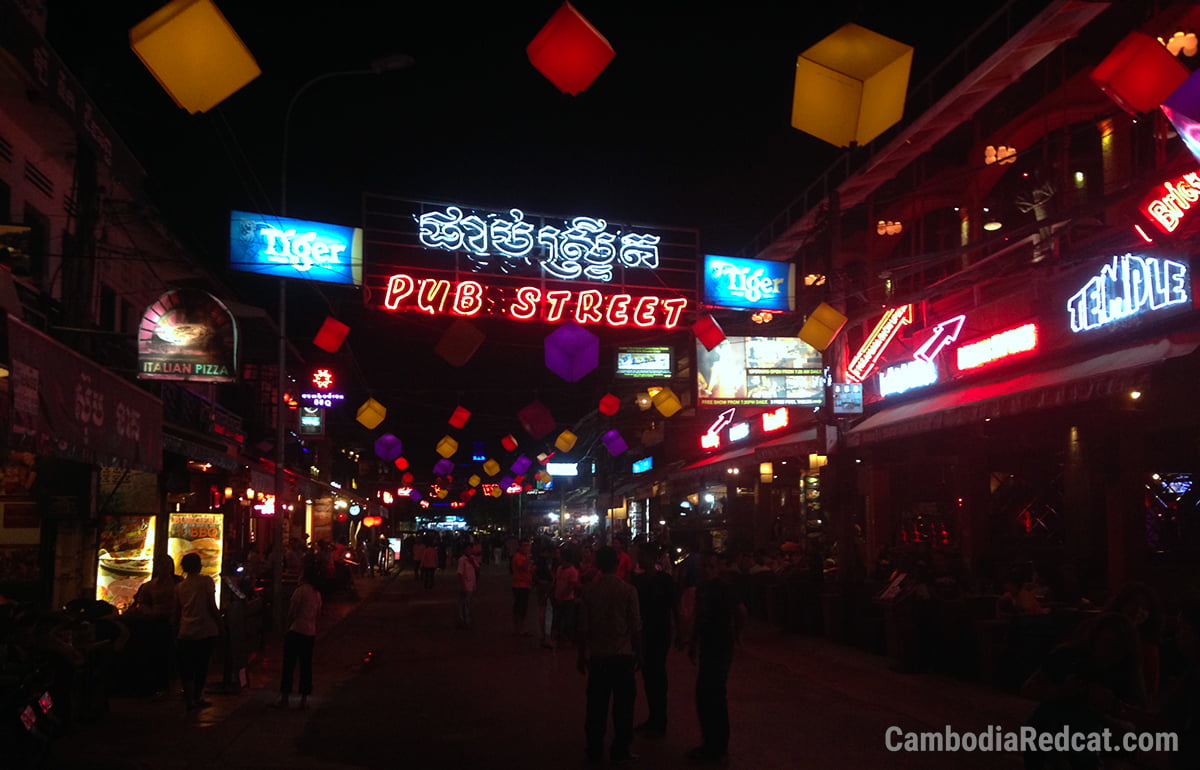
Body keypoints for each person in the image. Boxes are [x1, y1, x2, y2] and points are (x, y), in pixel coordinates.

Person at [1020, 612, 1146, 769]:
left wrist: (1111, 707)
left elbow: (1139, 720)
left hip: (1100, 730)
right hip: (1052, 725)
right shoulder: (1068, 655)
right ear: (1095, 638)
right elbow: (1028, 689)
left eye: (1117, 649)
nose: (1109, 653)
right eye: (1106, 644)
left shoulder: (1126, 671)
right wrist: (1063, 690)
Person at [577, 546, 642, 764]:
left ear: (597, 564)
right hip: (622, 656)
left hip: (599, 656)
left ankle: (594, 750)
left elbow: (584, 628)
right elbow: (635, 627)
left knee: (596, 707)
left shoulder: (589, 591)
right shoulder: (628, 590)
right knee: (623, 708)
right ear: (616, 564)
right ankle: (620, 750)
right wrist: (638, 654)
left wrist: (580, 655)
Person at [688, 551, 746, 763]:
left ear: (718, 567)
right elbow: (699, 616)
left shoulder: (724, 588)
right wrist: (693, 641)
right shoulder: (703, 589)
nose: (707, 570)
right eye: (704, 566)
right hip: (708, 645)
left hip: (721, 646)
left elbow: (741, 611)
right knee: (706, 695)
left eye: (711, 566)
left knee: (713, 696)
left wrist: (738, 634)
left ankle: (717, 746)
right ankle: (711, 743)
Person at [633, 543, 676, 738]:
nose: (639, 559)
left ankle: (658, 718)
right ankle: (657, 716)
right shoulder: (641, 581)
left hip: (657, 633)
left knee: (655, 675)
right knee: (652, 676)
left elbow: (674, 608)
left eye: (642, 555)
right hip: (651, 632)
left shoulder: (660, 581)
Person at [125, 554, 180, 695]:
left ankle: (169, 683)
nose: (166, 568)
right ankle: (161, 684)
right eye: (163, 565)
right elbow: (141, 602)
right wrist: (149, 612)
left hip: (173, 621)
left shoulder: (177, 582)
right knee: (159, 653)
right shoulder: (150, 585)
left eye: (168, 565)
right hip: (155, 622)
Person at [173, 552, 222, 712]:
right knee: (202, 665)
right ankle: (197, 696)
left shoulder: (180, 586)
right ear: (199, 565)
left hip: (186, 630)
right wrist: (220, 622)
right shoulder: (206, 582)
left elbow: (177, 610)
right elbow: (211, 606)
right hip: (205, 629)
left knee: (187, 666)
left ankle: (189, 699)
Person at [276, 565, 322, 709]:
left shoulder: (300, 591)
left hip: (296, 631)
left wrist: (286, 627)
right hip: (310, 633)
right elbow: (318, 614)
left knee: (289, 665)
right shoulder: (316, 594)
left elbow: (292, 612)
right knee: (306, 666)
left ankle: (285, 697)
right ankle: (303, 699)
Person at [552, 548, 581, 647]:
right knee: (557, 620)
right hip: (559, 597)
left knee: (568, 621)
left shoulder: (572, 571)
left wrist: (562, 596)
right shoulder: (560, 568)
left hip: (568, 599)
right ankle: (556, 639)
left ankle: (567, 640)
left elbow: (571, 586)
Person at [534, 543, 555, 648]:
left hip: (541, 585)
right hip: (546, 585)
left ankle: (543, 634)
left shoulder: (538, 561)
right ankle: (546, 634)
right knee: (546, 610)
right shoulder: (545, 562)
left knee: (542, 609)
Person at [511, 540, 534, 636]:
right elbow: (523, 567)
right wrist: (528, 557)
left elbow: (527, 570)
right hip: (520, 585)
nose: (526, 548)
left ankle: (519, 627)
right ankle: (520, 628)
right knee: (521, 607)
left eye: (528, 546)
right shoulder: (518, 557)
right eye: (524, 546)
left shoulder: (523, 557)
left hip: (525, 584)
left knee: (521, 607)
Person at [457, 543, 481, 628]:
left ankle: (467, 619)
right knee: (465, 604)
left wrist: (473, 562)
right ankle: (464, 620)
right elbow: (460, 573)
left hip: (471, 584)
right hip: (465, 584)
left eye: (470, 549)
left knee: (468, 603)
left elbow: (478, 569)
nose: (469, 551)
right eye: (468, 549)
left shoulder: (472, 559)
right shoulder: (462, 560)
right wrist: (462, 585)